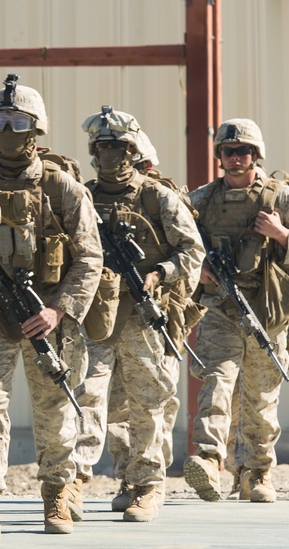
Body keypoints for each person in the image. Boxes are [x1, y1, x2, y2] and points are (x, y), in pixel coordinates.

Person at [0, 77, 101, 538]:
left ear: (36, 130)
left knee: (54, 406)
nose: (8, 131)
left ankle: (57, 493)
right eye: (0, 121)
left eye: (18, 122)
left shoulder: (63, 189)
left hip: (49, 315)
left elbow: (91, 257)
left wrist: (59, 310)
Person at [184, 119, 289, 503]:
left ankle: (257, 473)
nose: (235, 158)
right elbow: (177, 244)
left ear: (256, 155)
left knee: (261, 397)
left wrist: (281, 235)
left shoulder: (281, 199)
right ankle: (210, 459)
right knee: (217, 381)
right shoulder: (201, 201)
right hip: (221, 309)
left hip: (269, 309)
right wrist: (196, 269)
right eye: (228, 151)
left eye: (243, 151)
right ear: (219, 156)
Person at [73, 107, 204, 521]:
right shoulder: (83, 195)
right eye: (102, 146)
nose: (110, 153)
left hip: (145, 314)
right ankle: (75, 478)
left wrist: (160, 272)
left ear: (131, 149)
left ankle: (147, 483)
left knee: (148, 400)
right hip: (96, 313)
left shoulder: (157, 196)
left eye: (117, 146)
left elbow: (193, 251)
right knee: (89, 397)